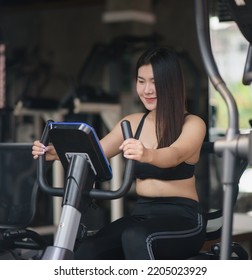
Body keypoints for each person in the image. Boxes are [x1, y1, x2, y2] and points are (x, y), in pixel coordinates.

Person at [32, 46, 207, 259]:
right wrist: (55, 153)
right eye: (141, 81)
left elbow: (175, 154)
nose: (147, 90)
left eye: (154, 82)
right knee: (89, 249)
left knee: (136, 237)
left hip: (184, 218)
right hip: (141, 214)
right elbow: (95, 153)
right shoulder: (131, 123)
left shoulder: (193, 124)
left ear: (171, 83)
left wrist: (147, 154)